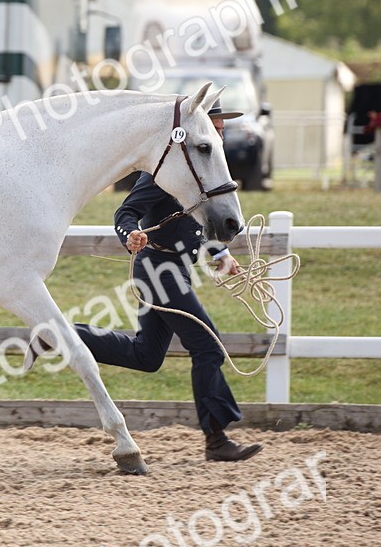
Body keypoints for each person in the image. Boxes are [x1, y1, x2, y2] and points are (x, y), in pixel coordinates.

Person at [30, 103, 262, 462]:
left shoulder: (203, 172)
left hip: (175, 270)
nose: (219, 133)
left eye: (220, 128)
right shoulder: (163, 173)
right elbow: (124, 213)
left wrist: (219, 255)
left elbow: (201, 223)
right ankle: (217, 441)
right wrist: (131, 234)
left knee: (147, 355)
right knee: (208, 348)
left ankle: (57, 335)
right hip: (159, 271)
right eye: (215, 126)